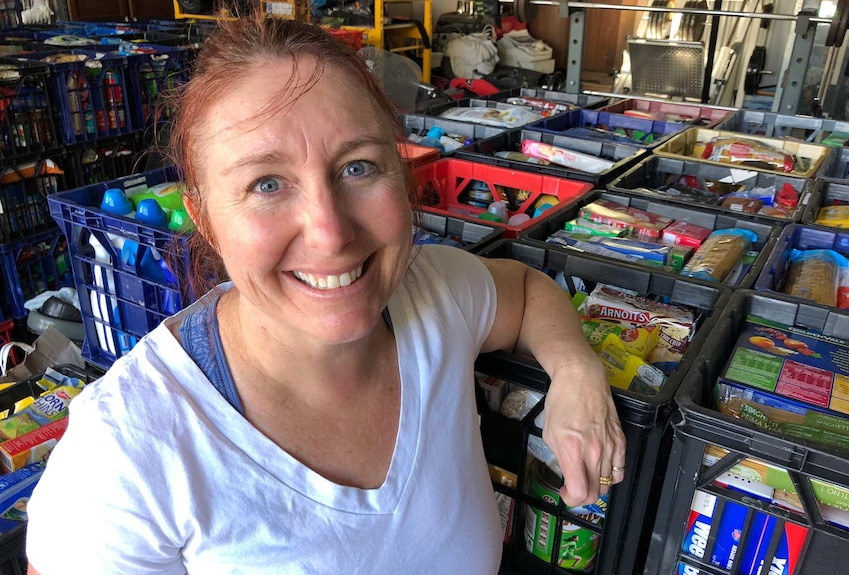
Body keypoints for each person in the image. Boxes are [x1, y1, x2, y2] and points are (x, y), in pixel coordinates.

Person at [25, 14, 625, 575]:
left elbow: (524, 289)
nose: (331, 233)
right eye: (266, 184)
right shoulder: (121, 463)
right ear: (205, 220)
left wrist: (576, 371)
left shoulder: (435, 298)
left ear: (401, 169)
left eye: (358, 167)